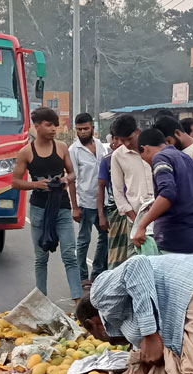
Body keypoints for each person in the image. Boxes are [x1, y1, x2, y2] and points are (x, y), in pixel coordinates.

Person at [11, 107, 82, 303]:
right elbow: (15, 182)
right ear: (37, 126)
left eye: (55, 126)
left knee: (69, 254)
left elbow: (73, 173)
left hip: (62, 206)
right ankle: (40, 300)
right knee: (41, 257)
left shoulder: (61, 147)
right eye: (49, 125)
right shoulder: (26, 152)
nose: (53, 129)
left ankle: (78, 300)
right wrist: (36, 184)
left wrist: (66, 180)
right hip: (39, 209)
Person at [131, 128, 193, 255]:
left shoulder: (160, 158)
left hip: (171, 242)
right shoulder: (190, 161)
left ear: (145, 148)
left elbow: (167, 193)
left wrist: (142, 226)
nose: (147, 163)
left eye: (143, 158)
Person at [69, 112, 108, 282]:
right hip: (85, 201)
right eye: (79, 129)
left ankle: (98, 272)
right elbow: (71, 180)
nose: (82, 132)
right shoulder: (74, 150)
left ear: (93, 128)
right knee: (84, 240)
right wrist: (75, 206)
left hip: (104, 200)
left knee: (105, 236)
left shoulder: (100, 146)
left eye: (85, 128)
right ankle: (82, 276)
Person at [110, 114, 154, 263]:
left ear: (137, 131)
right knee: (135, 262)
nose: (126, 144)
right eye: (122, 140)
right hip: (134, 217)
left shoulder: (153, 149)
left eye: (129, 138)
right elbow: (118, 193)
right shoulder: (117, 156)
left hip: (160, 216)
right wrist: (136, 221)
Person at [98, 132, 129, 269]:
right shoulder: (107, 160)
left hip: (134, 210)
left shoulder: (137, 157)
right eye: (116, 138)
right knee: (115, 252)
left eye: (122, 138)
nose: (119, 142)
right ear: (112, 141)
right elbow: (100, 189)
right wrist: (101, 216)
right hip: (115, 211)